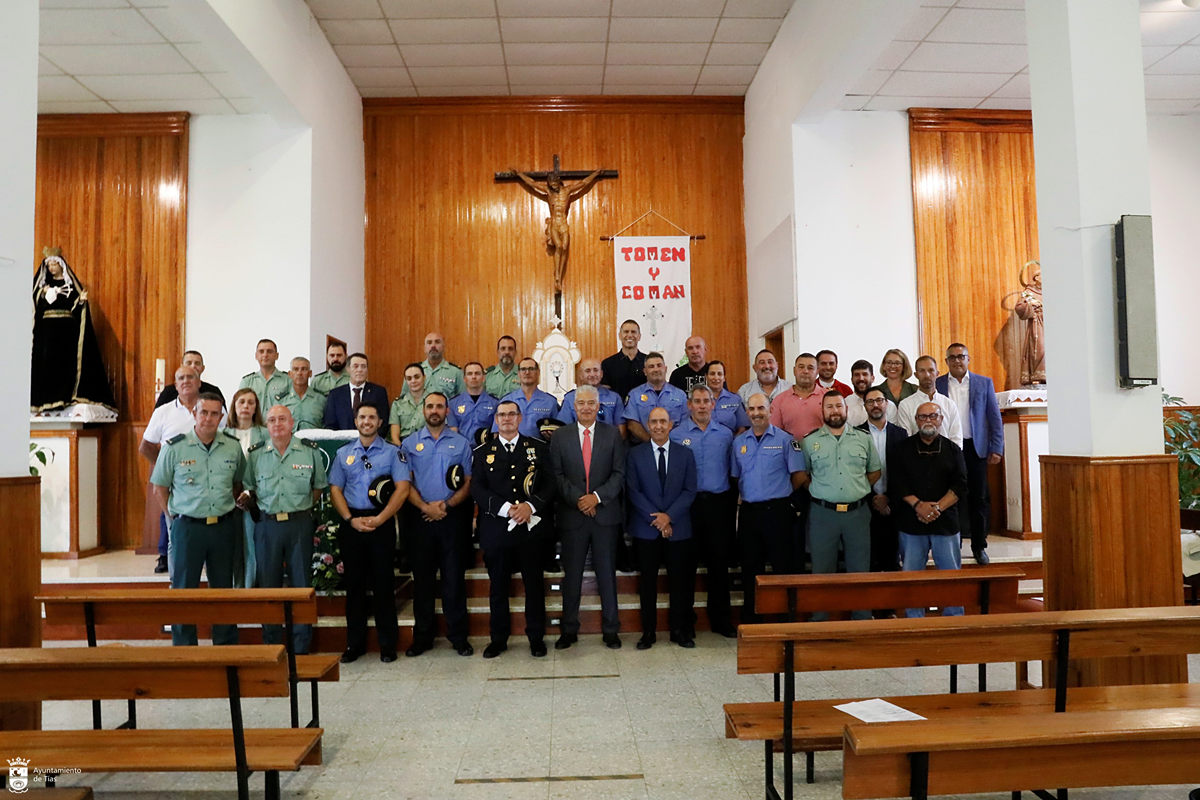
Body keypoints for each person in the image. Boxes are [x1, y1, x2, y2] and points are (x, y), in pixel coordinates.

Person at [149, 392, 244, 646]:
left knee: (223, 590)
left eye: (215, 414)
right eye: (204, 413)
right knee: (184, 591)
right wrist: (175, 518)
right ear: (194, 414)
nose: (209, 419)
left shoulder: (232, 447)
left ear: (222, 417)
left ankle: (225, 646)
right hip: (188, 528)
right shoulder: (174, 447)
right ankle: (185, 648)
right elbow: (159, 488)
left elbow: (237, 484)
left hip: (223, 527)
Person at [470, 400, 553, 659]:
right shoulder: (483, 452)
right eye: (502, 415)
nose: (506, 419)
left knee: (534, 585)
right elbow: (478, 490)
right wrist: (506, 509)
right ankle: (498, 639)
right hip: (497, 530)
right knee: (498, 587)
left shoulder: (537, 448)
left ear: (520, 418)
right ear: (495, 420)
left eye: (511, 415)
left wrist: (530, 506)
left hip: (531, 528)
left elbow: (550, 485)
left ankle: (536, 637)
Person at [328, 402, 410, 663]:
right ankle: (355, 644)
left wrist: (381, 518)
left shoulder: (392, 453)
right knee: (354, 586)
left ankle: (387, 644)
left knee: (383, 584)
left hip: (381, 524)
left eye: (371, 417)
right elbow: (335, 490)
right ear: (356, 421)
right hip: (353, 524)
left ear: (379, 422)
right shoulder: (343, 454)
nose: (366, 421)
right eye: (362, 417)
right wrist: (350, 519)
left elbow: (403, 488)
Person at [243, 405, 328, 654]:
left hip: (299, 524)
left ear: (293, 424)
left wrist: (298, 510)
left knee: (302, 585)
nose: (277, 423)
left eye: (282, 419)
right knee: (268, 586)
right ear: (266, 425)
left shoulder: (308, 452)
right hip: (267, 526)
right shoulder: (256, 454)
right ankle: (272, 644)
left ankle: (301, 646)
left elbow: (317, 488)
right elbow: (250, 487)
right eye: (272, 420)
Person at [549, 384, 627, 650]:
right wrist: (580, 500)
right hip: (573, 516)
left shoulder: (612, 435)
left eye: (590, 403)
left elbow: (618, 474)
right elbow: (556, 475)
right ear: (574, 406)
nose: (585, 407)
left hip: (605, 515)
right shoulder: (560, 436)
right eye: (580, 403)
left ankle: (611, 629)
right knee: (572, 575)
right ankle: (569, 629)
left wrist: (596, 497)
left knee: (607, 574)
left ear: (598, 406)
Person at [401, 392, 475, 657]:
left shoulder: (461, 443)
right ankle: (423, 638)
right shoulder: (409, 444)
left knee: (454, 579)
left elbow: (468, 481)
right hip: (420, 518)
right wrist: (425, 507)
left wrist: (446, 506)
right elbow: (405, 483)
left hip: (451, 518)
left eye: (439, 406)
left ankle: (459, 637)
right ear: (423, 411)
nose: (434, 410)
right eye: (430, 406)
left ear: (447, 411)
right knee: (423, 582)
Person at [799, 391, 881, 621]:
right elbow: (803, 475)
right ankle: (820, 619)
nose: (834, 411)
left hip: (857, 514)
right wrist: (823, 491)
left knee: (860, 570)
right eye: (829, 407)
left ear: (846, 409)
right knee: (821, 571)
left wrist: (857, 488)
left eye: (838, 406)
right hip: (823, 514)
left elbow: (875, 471)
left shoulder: (863, 438)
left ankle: (862, 618)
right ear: (822, 411)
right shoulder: (810, 441)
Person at [888, 402, 969, 617]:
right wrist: (918, 505)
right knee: (912, 576)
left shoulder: (953, 450)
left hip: (946, 520)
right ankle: (914, 619)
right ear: (916, 421)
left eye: (933, 416)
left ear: (942, 420)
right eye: (923, 417)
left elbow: (960, 484)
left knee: (951, 576)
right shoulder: (901, 449)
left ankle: (953, 619)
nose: (928, 420)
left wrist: (936, 508)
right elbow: (896, 483)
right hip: (911, 521)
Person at [627, 407, 698, 649]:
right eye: (654, 422)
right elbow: (633, 492)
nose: (658, 426)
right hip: (646, 529)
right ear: (648, 425)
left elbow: (690, 490)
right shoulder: (635, 455)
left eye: (663, 422)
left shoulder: (685, 454)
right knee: (647, 583)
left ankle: (679, 630)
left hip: (678, 528)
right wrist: (657, 520)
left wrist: (669, 517)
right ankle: (648, 632)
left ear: (671, 425)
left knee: (679, 582)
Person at [732, 393, 806, 624]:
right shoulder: (739, 442)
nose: (756, 413)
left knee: (783, 566)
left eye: (761, 408)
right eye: (752, 409)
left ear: (770, 410)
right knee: (750, 569)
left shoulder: (786, 440)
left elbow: (799, 476)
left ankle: (785, 619)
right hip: (749, 514)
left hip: (777, 512)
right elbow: (736, 477)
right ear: (746, 411)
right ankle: (752, 620)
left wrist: (779, 494)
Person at [671, 385, 738, 637]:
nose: (701, 405)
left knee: (718, 566)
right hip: (687, 506)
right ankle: (685, 624)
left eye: (706, 401)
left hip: (719, 506)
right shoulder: (676, 435)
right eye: (696, 401)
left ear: (713, 404)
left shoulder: (726, 435)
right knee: (685, 567)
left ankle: (721, 621)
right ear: (689, 405)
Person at [936, 343, 1004, 565]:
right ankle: (952, 544)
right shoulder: (938, 384)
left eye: (961, 356)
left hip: (976, 448)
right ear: (946, 362)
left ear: (968, 358)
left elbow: (994, 418)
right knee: (949, 498)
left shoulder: (983, 383)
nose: (957, 361)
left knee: (978, 498)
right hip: (947, 449)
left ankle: (979, 546)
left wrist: (997, 447)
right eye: (952, 357)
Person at [30, 248, 116, 413]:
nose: (52, 268)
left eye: (55, 264)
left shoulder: (70, 285)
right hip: (47, 332)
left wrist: (81, 301)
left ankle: (64, 396)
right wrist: (44, 291)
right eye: (49, 265)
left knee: (64, 364)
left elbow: (76, 308)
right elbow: (35, 301)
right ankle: (46, 400)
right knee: (47, 365)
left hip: (66, 332)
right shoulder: (43, 285)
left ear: (61, 265)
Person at [141, 366, 205, 574]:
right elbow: (146, 446)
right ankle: (178, 584)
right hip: (176, 486)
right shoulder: (163, 412)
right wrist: (164, 469)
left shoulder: (212, 409)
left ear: (199, 382)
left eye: (190, 377)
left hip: (206, 483)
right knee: (176, 534)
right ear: (175, 385)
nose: (186, 381)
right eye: (181, 378)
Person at [857, 388, 908, 576]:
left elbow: (904, 473)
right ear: (865, 407)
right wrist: (873, 498)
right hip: (865, 504)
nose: (875, 405)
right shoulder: (855, 434)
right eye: (870, 402)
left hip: (893, 505)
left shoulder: (900, 434)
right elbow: (855, 472)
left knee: (892, 558)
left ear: (887, 404)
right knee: (868, 557)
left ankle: (890, 604)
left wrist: (888, 498)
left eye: (879, 400)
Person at [225, 387, 269, 588]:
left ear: (256, 408)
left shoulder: (266, 434)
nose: (246, 406)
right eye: (241, 401)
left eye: (251, 402)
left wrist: (250, 493)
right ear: (234, 406)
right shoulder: (222, 434)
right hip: (228, 499)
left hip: (255, 499)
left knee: (252, 546)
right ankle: (235, 589)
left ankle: (250, 588)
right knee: (231, 547)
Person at [896, 355, 964, 448]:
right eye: (922, 371)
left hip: (946, 459)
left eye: (931, 370)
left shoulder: (949, 404)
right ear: (916, 375)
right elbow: (906, 439)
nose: (927, 375)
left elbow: (956, 439)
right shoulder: (906, 405)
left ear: (937, 373)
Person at [623, 352, 688, 442]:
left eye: (659, 365)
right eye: (651, 367)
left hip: (674, 445)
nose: (656, 369)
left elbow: (685, 423)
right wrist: (651, 443)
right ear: (645, 372)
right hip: (644, 447)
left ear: (665, 369)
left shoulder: (680, 395)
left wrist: (667, 443)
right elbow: (632, 425)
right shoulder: (634, 395)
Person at [558, 357, 627, 437]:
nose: (592, 374)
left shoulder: (614, 398)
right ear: (581, 375)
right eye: (587, 371)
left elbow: (621, 430)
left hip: (608, 445)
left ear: (601, 374)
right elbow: (564, 429)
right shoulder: (570, 398)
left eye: (596, 370)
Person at [497, 358, 560, 439]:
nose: (527, 372)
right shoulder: (506, 400)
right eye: (523, 369)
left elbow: (558, 432)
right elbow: (497, 432)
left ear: (538, 372)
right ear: (518, 373)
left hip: (541, 448)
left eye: (531, 369)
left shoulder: (550, 402)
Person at [324, 353, 389, 430]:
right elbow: (330, 424)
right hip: (342, 440)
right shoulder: (335, 395)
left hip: (371, 440)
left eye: (363, 366)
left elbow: (383, 422)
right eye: (355, 366)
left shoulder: (379, 392)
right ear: (348, 369)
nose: (359, 370)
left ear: (367, 370)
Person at [769, 353, 824, 439]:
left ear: (817, 372)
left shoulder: (827, 397)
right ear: (794, 371)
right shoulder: (779, 400)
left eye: (810, 368)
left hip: (822, 451)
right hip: (790, 450)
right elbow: (775, 433)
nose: (805, 371)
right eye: (801, 367)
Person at [403, 331, 464, 400]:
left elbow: (463, 400)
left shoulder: (456, 372)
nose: (433, 346)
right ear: (424, 348)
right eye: (429, 343)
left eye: (437, 342)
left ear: (443, 346)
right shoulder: (413, 371)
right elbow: (404, 399)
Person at [448, 362, 499, 444]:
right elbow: (453, 432)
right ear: (465, 379)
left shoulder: (495, 403)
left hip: (486, 449)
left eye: (477, 373)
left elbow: (496, 433)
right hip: (462, 448)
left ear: (483, 378)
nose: (474, 377)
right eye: (470, 374)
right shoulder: (453, 403)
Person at [155, 350, 225, 408]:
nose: (193, 366)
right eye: (189, 363)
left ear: (203, 368)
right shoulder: (169, 392)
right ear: (182, 366)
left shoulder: (213, 391)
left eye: (197, 363)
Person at [276, 357, 327, 431]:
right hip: (289, 442)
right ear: (290, 374)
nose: (299, 373)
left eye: (303, 369)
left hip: (315, 441)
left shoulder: (321, 400)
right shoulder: (282, 400)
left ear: (310, 373)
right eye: (296, 369)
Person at [239, 339, 290, 412]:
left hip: (279, 423)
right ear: (256, 356)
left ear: (277, 356)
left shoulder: (288, 380)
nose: (265, 355)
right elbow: (240, 407)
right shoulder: (247, 381)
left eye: (269, 351)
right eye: (261, 351)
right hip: (254, 423)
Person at [601, 319, 647, 400]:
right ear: (620, 336)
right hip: (617, 410)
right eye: (626, 332)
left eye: (633, 332)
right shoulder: (607, 364)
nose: (629, 335)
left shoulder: (648, 362)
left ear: (639, 336)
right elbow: (605, 394)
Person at [845, 359, 897, 428]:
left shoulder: (889, 406)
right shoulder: (845, 405)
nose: (861, 378)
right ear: (851, 379)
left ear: (872, 378)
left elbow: (893, 432)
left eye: (865, 374)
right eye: (857, 375)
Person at [705, 360, 749, 435]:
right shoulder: (698, 400)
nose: (716, 378)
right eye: (712, 374)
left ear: (724, 378)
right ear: (706, 376)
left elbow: (742, 428)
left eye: (719, 374)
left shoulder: (735, 399)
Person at [390, 362, 430, 443]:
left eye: (417, 377)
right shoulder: (398, 404)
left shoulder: (433, 402)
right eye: (409, 378)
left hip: (428, 442)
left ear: (424, 377)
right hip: (405, 444)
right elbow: (394, 435)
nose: (413, 381)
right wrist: (401, 451)